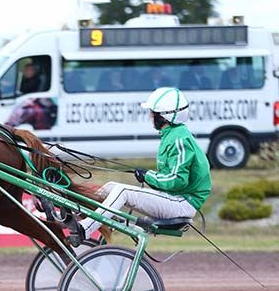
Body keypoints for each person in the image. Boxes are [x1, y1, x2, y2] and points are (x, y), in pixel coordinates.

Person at [70, 87, 212, 245]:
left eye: (153, 112)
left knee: (122, 191)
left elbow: (178, 180)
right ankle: (83, 213)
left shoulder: (179, 139)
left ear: (165, 116)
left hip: (181, 204)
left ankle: (86, 228)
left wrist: (148, 176)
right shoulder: (171, 136)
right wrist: (149, 177)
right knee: (110, 187)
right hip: (174, 199)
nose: (150, 116)